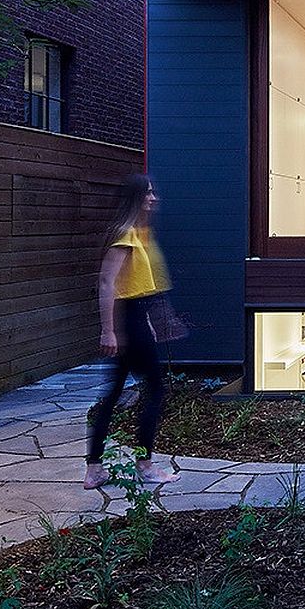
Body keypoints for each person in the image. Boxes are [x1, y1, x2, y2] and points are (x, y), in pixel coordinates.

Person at [84, 173, 175, 489]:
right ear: (137, 198)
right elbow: (107, 283)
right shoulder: (125, 236)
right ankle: (145, 464)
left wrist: (150, 319)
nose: (154, 198)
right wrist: (108, 330)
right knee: (156, 391)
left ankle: (94, 470)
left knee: (110, 396)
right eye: (149, 193)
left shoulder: (141, 234)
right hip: (128, 324)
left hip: (136, 319)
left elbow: (135, 287)